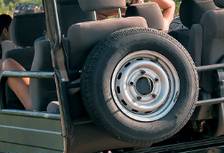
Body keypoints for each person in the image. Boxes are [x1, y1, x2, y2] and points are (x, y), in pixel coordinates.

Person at [1, 0, 176, 110]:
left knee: (8, 64)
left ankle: (35, 109)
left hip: (77, 101)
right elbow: (170, 5)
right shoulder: (140, 31)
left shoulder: (77, 36)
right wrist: (164, 27)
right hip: (136, 103)